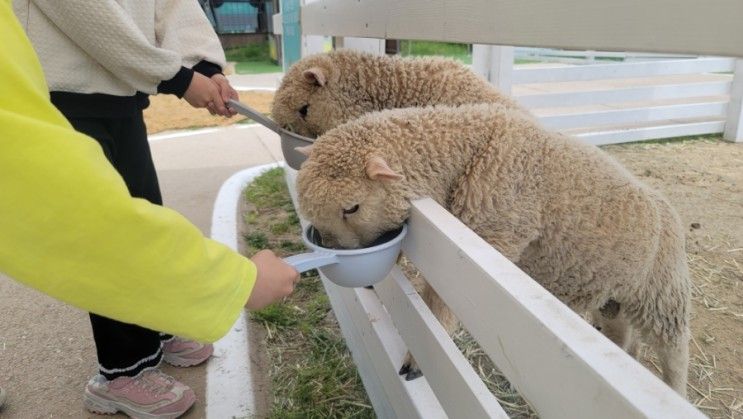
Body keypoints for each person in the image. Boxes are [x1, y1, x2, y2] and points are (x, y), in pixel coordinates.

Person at [2, 1, 298, 417]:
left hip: (122, 96)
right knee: (107, 232)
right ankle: (120, 371)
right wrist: (175, 76)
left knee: (144, 207)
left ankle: (154, 323)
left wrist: (203, 65)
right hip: (64, 94)